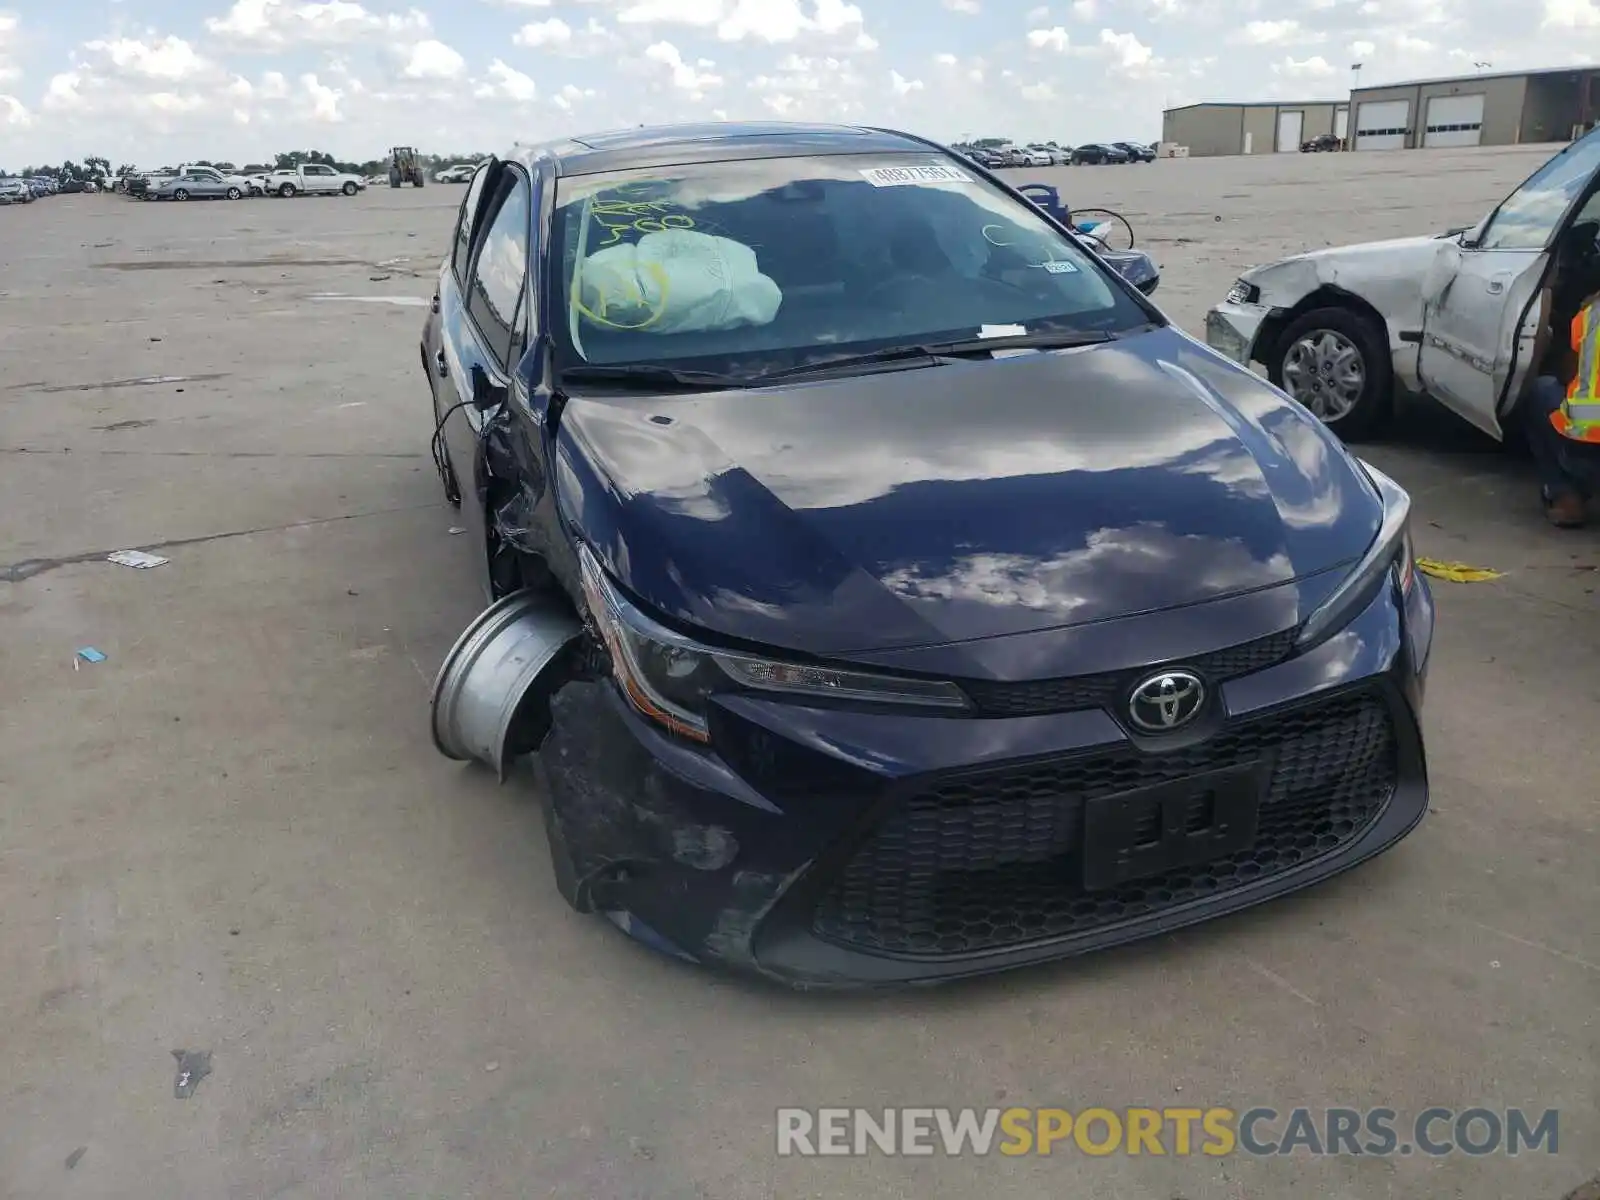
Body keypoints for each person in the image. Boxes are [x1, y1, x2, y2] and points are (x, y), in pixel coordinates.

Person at [1527, 291, 1600, 527]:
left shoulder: (1590, 315)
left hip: (1584, 450)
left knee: (1540, 389)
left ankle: (1567, 498)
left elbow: (1566, 375)